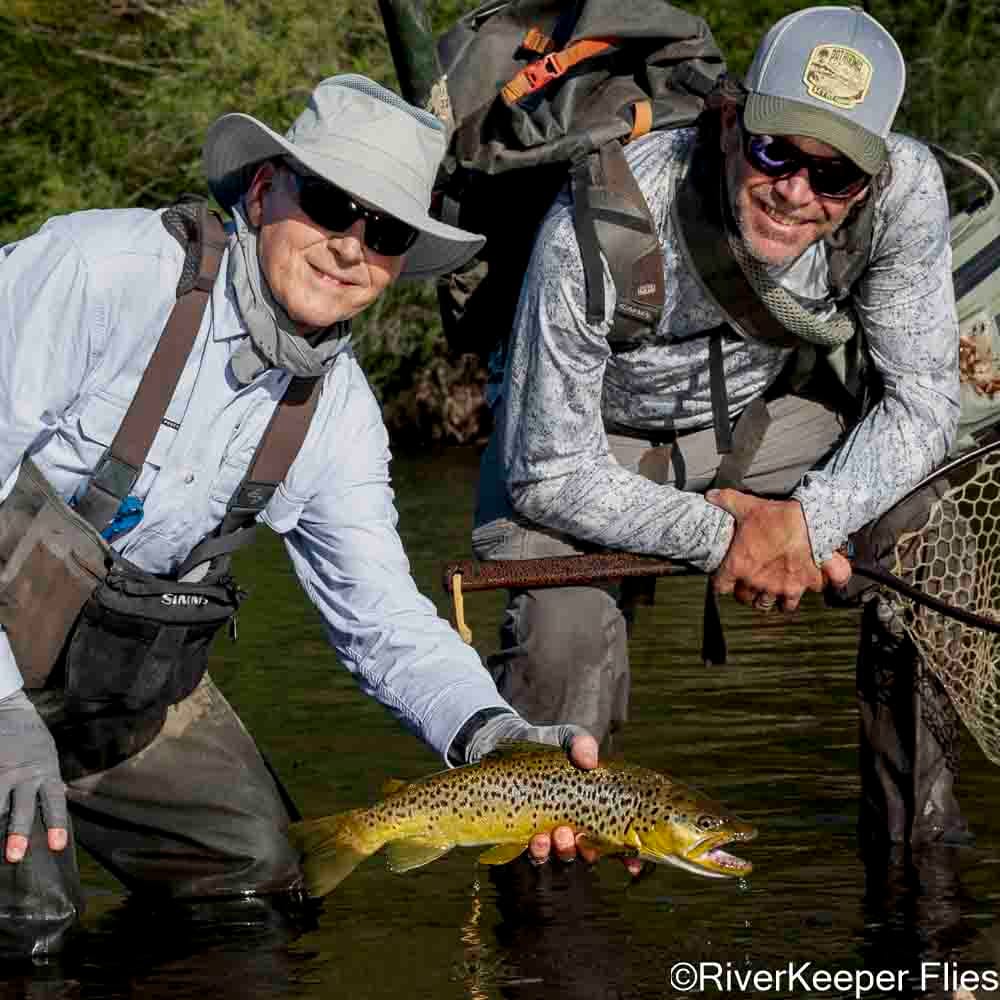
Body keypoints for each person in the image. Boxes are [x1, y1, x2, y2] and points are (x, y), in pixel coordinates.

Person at [0, 74, 606, 960]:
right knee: (30, 918)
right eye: (329, 203)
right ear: (260, 189)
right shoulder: (99, 272)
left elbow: (384, 623)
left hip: (119, 693)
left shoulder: (341, 417)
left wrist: (496, 737)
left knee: (266, 886)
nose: (351, 245)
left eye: (387, 231)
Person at [473, 6, 965, 846]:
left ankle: (923, 875)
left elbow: (923, 399)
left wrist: (808, 521)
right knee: (563, 647)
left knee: (928, 537)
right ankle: (549, 923)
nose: (795, 193)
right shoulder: (603, 215)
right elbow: (546, 473)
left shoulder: (908, 189)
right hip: (589, 447)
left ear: (872, 178)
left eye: (835, 176)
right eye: (776, 152)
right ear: (734, 122)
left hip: (761, 426)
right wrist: (723, 534)